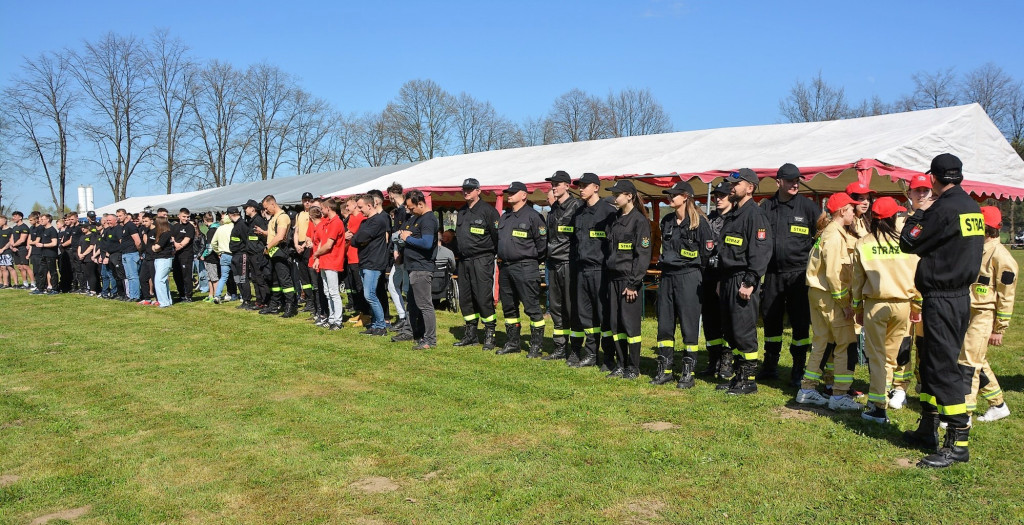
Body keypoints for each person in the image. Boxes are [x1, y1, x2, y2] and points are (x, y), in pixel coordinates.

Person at [899, 153, 985, 468]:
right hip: (958, 295)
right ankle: (928, 427)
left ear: (934, 178)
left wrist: (917, 212)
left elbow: (908, 243)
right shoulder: (972, 206)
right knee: (932, 362)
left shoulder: (942, 209)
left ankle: (957, 442)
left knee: (943, 368)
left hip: (943, 296)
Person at [850, 197, 921, 424]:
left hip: (875, 305)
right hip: (903, 305)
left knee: (877, 357)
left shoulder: (864, 243)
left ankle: (878, 406)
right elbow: (917, 277)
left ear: (873, 218)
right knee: (890, 357)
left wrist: (857, 308)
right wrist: (917, 306)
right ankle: (886, 396)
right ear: (894, 218)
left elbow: (857, 281)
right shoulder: (907, 243)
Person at [794, 193, 860, 408]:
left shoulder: (831, 233)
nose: (854, 213)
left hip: (820, 294)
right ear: (842, 211)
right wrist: (845, 304)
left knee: (822, 342)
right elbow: (833, 273)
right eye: (851, 209)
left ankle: (807, 389)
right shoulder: (834, 236)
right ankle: (840, 396)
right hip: (831, 296)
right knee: (846, 343)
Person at [758, 163, 818, 384]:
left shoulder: (808, 207)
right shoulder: (765, 207)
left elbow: (822, 235)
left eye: (797, 180)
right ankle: (770, 365)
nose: (795, 184)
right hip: (772, 274)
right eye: (791, 180)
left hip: (799, 275)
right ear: (778, 182)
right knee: (771, 322)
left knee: (800, 323)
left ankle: (798, 368)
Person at [715, 169, 772, 394]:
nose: (732, 187)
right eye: (731, 184)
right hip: (728, 278)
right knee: (731, 331)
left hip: (743, 279)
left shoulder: (754, 216)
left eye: (736, 184)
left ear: (750, 188)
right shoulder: (734, 214)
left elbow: (760, 251)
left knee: (743, 330)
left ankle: (748, 379)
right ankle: (738, 375)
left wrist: (749, 281)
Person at [653, 180, 713, 387]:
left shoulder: (700, 223)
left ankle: (688, 372)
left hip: (689, 276)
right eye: (669, 194)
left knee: (689, 326)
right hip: (668, 276)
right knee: (665, 325)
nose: (669, 197)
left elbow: (706, 254)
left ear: (686, 196)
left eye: (674, 194)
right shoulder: (667, 220)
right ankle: (665, 369)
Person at [962, 206, 1015, 423]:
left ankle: (964, 414)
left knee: (969, 364)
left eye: (988, 228)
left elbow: (1007, 295)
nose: (985, 231)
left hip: (984, 315)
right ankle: (998, 404)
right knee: (975, 359)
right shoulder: (976, 249)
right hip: (970, 311)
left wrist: (999, 328)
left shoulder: (1001, 256)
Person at [890, 174, 935, 408]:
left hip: (931, 290)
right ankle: (900, 387)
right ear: (909, 193)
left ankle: (925, 382)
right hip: (906, 289)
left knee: (927, 343)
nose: (921, 194)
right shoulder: (900, 222)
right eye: (917, 190)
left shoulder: (938, 217)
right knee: (903, 343)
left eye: (925, 190)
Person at [603, 179, 652, 379]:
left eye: (618, 194)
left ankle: (633, 367)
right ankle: (621, 364)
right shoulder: (614, 219)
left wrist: (633, 283)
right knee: (616, 325)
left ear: (629, 196)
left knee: (630, 325)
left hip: (628, 280)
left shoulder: (639, 221)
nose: (615, 198)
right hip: (613, 279)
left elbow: (643, 255)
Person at [568, 173, 617, 368]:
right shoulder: (579, 213)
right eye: (580, 185)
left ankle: (608, 356)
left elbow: (613, 242)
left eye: (585, 185)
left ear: (596, 187)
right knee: (585, 314)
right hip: (582, 270)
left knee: (603, 315)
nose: (581, 189)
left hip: (601, 270)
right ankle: (590, 353)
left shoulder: (608, 211)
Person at [495, 181, 548, 356]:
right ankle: (512, 343)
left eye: (513, 192)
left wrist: (530, 260)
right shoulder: (505, 216)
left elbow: (542, 245)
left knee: (532, 307)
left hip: (525, 267)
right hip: (506, 268)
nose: (509, 195)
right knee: (509, 307)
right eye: (508, 192)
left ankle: (536, 346)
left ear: (524, 195)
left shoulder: (533, 216)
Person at [453, 177, 501, 350]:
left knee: (482, 296)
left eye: (470, 189)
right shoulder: (462, 211)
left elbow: (497, 236)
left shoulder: (488, 211)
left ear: (478, 191)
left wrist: (491, 256)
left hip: (482, 259)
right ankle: (470, 334)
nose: (466, 192)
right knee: (465, 298)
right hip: (464, 260)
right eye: (464, 189)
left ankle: (490, 333)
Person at [542, 170, 583, 361]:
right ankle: (559, 347)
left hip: (569, 263)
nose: (554, 186)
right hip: (552, 263)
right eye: (552, 184)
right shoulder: (552, 211)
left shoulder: (577, 207)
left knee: (570, 307)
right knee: (556, 307)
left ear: (567, 185)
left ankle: (575, 349)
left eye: (557, 183)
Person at [397, 190, 439, 350]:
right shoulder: (419, 218)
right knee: (414, 304)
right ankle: (419, 334)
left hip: (422, 267)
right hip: (414, 266)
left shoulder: (428, 220)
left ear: (420, 204)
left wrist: (408, 238)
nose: (410, 211)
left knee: (425, 305)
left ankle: (430, 340)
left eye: (412, 208)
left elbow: (427, 243)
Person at [700, 181, 734, 380]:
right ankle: (713, 360)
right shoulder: (708, 220)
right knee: (710, 321)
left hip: (726, 276)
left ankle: (727, 362)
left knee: (726, 321)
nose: (718, 199)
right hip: (708, 275)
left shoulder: (735, 219)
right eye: (716, 196)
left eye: (722, 195)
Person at [350, 193, 391, 335]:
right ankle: (375, 324)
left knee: (370, 295)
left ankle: (381, 326)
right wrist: (357, 239)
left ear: (369, 205)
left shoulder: (378, 221)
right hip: (364, 261)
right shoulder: (365, 222)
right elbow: (356, 240)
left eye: (361, 207)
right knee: (370, 295)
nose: (359, 210)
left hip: (373, 263)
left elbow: (359, 237)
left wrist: (358, 239)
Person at [260, 195, 298, 318]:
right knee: (275, 281)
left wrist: (267, 247)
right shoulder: (274, 218)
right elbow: (272, 234)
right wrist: (263, 233)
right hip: (274, 253)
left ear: (273, 204)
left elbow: (280, 236)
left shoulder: (282, 217)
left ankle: (290, 306)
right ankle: (274, 305)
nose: (266, 211)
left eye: (266, 208)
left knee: (285, 281)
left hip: (280, 252)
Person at [314, 198, 347, 330]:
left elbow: (328, 245)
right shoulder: (328, 222)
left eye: (322, 208)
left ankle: (338, 321)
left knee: (333, 292)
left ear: (328, 208)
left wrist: (316, 254)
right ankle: (332, 317)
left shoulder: (336, 223)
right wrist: (318, 257)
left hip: (332, 261)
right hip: (325, 261)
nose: (321, 211)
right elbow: (323, 241)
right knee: (327, 292)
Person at [387, 183, 411, 330]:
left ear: (391, 195)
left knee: (406, 288)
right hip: (398, 253)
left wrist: (398, 251)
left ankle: (408, 318)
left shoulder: (405, 211)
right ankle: (403, 315)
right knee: (392, 285)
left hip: (404, 254)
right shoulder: (398, 211)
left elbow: (402, 233)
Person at [343, 196, 370, 324]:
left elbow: (353, 235)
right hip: (350, 256)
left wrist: (347, 235)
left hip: (357, 257)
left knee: (360, 287)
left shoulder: (361, 218)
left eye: (348, 205)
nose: (346, 208)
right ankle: (361, 312)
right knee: (355, 287)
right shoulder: (351, 218)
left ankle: (366, 314)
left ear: (354, 205)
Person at [171, 208, 196, 302]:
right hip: (177, 255)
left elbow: (186, 241)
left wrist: (178, 246)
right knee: (176, 275)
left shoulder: (190, 227)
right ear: (179, 216)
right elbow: (172, 236)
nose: (186, 218)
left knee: (186, 276)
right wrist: (174, 243)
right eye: (184, 217)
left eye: (188, 217)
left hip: (186, 255)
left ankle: (188, 296)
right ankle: (181, 294)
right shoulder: (175, 226)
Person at [32, 213, 59, 294]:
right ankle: (41, 288)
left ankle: (55, 289)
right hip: (43, 254)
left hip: (51, 254)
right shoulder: (43, 230)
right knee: (41, 272)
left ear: (48, 220)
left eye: (43, 219)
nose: (41, 221)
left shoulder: (52, 230)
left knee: (52, 272)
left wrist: (43, 245)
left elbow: (54, 243)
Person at [211, 211, 235, 303]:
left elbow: (213, 243)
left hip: (223, 254)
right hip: (234, 254)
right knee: (238, 276)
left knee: (224, 277)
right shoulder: (234, 227)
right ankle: (241, 295)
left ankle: (217, 295)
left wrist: (218, 252)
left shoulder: (219, 229)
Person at [151, 216, 175, 307]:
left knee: (159, 280)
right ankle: (167, 301)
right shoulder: (163, 234)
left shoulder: (166, 234)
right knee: (163, 280)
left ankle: (163, 302)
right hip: (160, 259)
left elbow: (157, 247)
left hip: (164, 259)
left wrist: (154, 248)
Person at [9, 211, 32, 288]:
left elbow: (22, 239)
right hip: (15, 249)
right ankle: (25, 283)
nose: (13, 218)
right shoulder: (14, 227)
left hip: (22, 249)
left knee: (26, 266)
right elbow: (12, 238)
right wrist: (12, 246)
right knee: (19, 267)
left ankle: (33, 283)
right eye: (13, 216)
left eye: (15, 216)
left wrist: (14, 245)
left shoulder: (24, 227)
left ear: (20, 217)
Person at [0, 215, 13, 288]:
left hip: (6, 251)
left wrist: (3, 249)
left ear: (4, 220)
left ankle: (6, 283)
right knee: (1, 267)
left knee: (5, 267)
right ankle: (1, 283)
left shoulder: (10, 230)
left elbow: (10, 241)